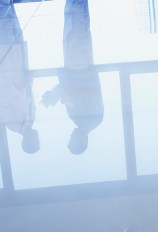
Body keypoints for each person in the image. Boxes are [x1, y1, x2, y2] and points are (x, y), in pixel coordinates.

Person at [41, 0, 104, 154]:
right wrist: (65, 96)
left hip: (72, 65)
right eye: (72, 140)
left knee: (70, 23)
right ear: (82, 141)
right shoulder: (93, 121)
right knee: (78, 23)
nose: (71, 135)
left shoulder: (75, 119)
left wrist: (54, 95)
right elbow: (92, 95)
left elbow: (67, 91)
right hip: (81, 64)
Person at [0, 2, 40, 154]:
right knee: (12, 14)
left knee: (3, 18)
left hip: (7, 61)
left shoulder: (12, 124)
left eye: (35, 141)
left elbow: (1, 101)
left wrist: (19, 87)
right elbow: (28, 94)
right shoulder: (31, 119)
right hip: (19, 59)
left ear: (27, 142)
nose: (38, 137)